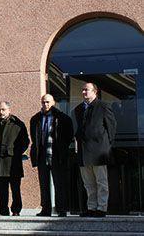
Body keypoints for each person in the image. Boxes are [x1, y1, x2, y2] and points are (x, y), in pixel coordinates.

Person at [74, 83, 116, 217]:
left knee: (101, 182)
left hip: (99, 152)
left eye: (86, 90)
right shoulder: (78, 109)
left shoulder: (103, 106)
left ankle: (101, 208)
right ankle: (91, 208)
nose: (84, 92)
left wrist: (106, 145)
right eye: (83, 90)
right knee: (88, 183)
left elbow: (111, 127)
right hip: (84, 152)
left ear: (95, 92)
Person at [30, 94, 74, 217]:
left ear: (53, 102)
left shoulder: (62, 118)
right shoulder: (36, 119)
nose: (46, 104)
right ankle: (46, 209)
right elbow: (35, 138)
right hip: (42, 154)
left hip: (57, 154)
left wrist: (62, 147)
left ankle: (61, 209)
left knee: (59, 183)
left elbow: (69, 135)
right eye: (44, 102)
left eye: (48, 102)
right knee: (44, 184)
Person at [0, 101, 30, 216]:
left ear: (9, 110)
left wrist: (16, 152)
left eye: (3, 109)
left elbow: (25, 141)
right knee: (2, 188)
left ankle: (16, 210)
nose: (1, 112)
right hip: (0, 160)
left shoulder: (17, 124)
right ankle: (3, 209)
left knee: (15, 188)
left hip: (13, 161)